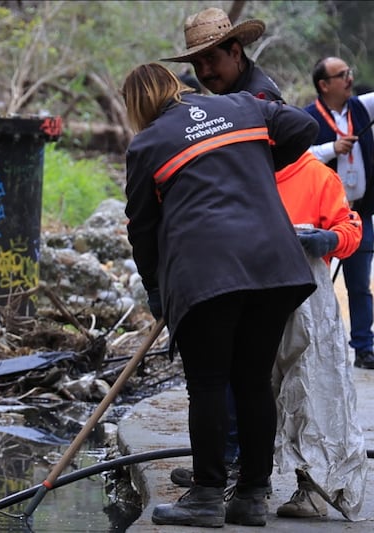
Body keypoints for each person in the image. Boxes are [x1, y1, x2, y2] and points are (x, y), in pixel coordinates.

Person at [122, 62, 318, 527]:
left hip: (206, 274)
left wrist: (156, 291)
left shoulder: (148, 143)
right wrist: (253, 165)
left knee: (209, 383)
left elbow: (142, 229)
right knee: (252, 382)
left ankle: (207, 496)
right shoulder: (245, 106)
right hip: (275, 267)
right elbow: (305, 126)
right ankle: (252, 496)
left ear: (137, 104)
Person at [161, 5, 278, 489]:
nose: (205, 73)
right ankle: (236, 469)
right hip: (241, 252)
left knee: (233, 377)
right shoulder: (221, 100)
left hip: (251, 253)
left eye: (213, 60)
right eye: (198, 65)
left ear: (237, 51)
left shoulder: (260, 98)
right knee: (236, 376)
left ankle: (232, 468)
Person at [272, 151, 367, 520]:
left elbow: (349, 228)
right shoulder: (245, 166)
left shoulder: (316, 176)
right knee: (254, 391)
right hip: (252, 293)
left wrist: (329, 240)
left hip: (306, 301)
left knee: (312, 391)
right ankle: (247, 480)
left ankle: (312, 488)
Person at [304, 57, 374, 370]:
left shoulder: (361, 107)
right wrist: (332, 148)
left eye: (349, 72)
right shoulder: (308, 118)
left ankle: (363, 347)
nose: (349, 78)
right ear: (324, 84)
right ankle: (317, 349)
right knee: (316, 286)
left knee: (359, 285)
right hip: (322, 218)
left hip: (359, 214)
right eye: (342, 74)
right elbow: (299, 154)